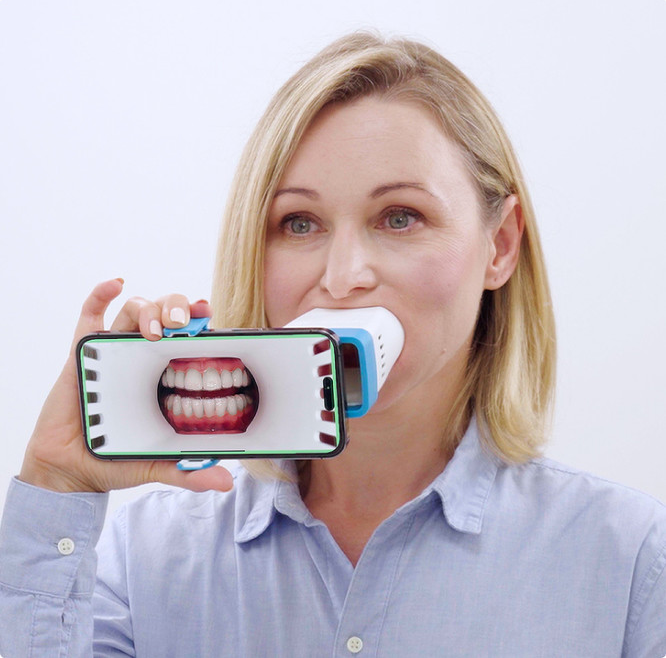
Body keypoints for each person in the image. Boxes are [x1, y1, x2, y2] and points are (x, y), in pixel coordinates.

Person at [1, 32, 665, 657]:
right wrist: (56, 484)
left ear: (501, 244)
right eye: (299, 222)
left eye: (400, 217)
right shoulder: (141, 562)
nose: (345, 277)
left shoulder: (629, 562)